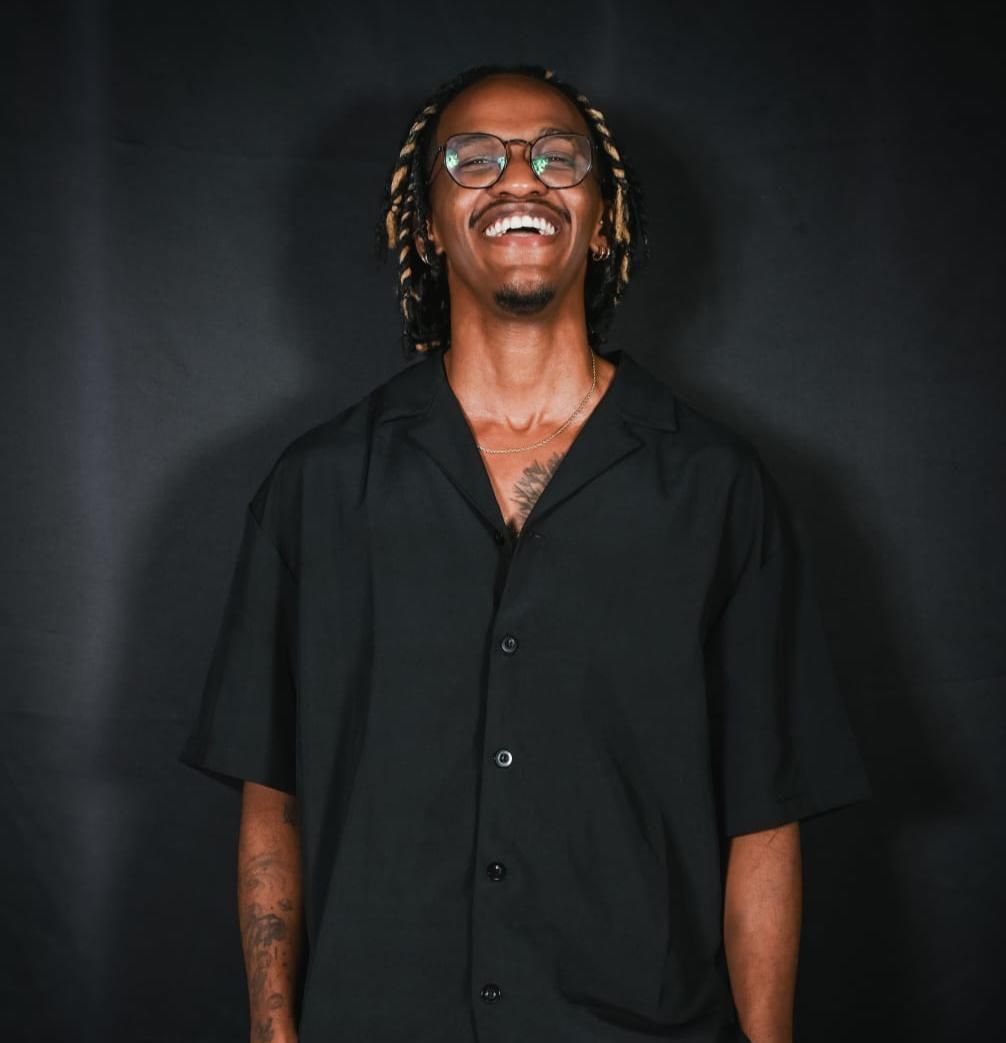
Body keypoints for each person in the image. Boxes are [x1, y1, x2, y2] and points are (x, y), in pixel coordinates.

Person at [180, 63, 872, 1043]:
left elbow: (763, 818)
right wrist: (272, 1029)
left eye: (557, 157)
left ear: (604, 217)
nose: (519, 178)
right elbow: (272, 798)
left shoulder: (716, 487)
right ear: (427, 223)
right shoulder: (318, 486)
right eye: (474, 158)